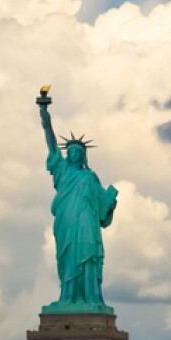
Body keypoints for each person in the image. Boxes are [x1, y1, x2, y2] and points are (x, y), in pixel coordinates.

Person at [39, 102, 118, 312]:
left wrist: (110, 199)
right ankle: (68, 297)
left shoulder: (90, 177)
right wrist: (46, 120)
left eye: (77, 152)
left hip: (86, 223)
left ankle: (90, 297)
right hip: (66, 220)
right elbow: (51, 145)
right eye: (71, 152)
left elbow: (102, 208)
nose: (73, 154)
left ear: (83, 156)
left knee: (87, 255)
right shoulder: (62, 171)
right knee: (67, 257)